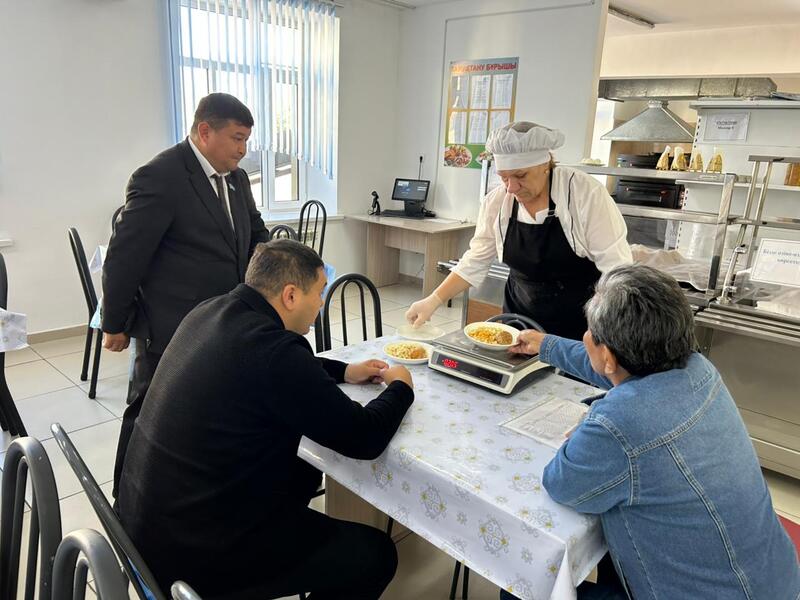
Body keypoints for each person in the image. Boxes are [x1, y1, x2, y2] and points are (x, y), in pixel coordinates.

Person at [118, 240, 415, 599]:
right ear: (290, 296)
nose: (322, 303)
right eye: (319, 292)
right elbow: (365, 437)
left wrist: (345, 371)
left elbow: (280, 367)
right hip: (190, 559)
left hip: (141, 531)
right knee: (376, 555)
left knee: (304, 469)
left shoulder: (210, 311)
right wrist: (401, 387)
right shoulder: (275, 352)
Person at [502, 265, 800, 600]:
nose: (586, 337)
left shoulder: (619, 422)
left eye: (590, 332)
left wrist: (590, 427)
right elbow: (612, 369)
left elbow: (561, 483)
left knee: (522, 580)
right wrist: (546, 345)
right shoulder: (698, 368)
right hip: (774, 581)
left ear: (607, 354)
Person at [102, 93, 269, 495]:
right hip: (171, 323)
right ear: (205, 131)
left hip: (223, 319)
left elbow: (255, 232)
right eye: (237, 139)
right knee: (148, 409)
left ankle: (193, 483)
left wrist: (278, 270)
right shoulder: (161, 176)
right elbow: (125, 256)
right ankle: (124, 496)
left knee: (206, 404)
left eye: (247, 140)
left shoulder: (236, 179)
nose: (243, 150)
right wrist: (115, 323)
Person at [406, 121, 632, 340]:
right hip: (518, 323)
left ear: (546, 165)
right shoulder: (497, 202)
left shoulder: (585, 194)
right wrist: (433, 300)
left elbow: (617, 271)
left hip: (578, 329)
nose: (511, 187)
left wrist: (609, 334)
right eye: (503, 177)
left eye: (521, 176)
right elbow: (475, 260)